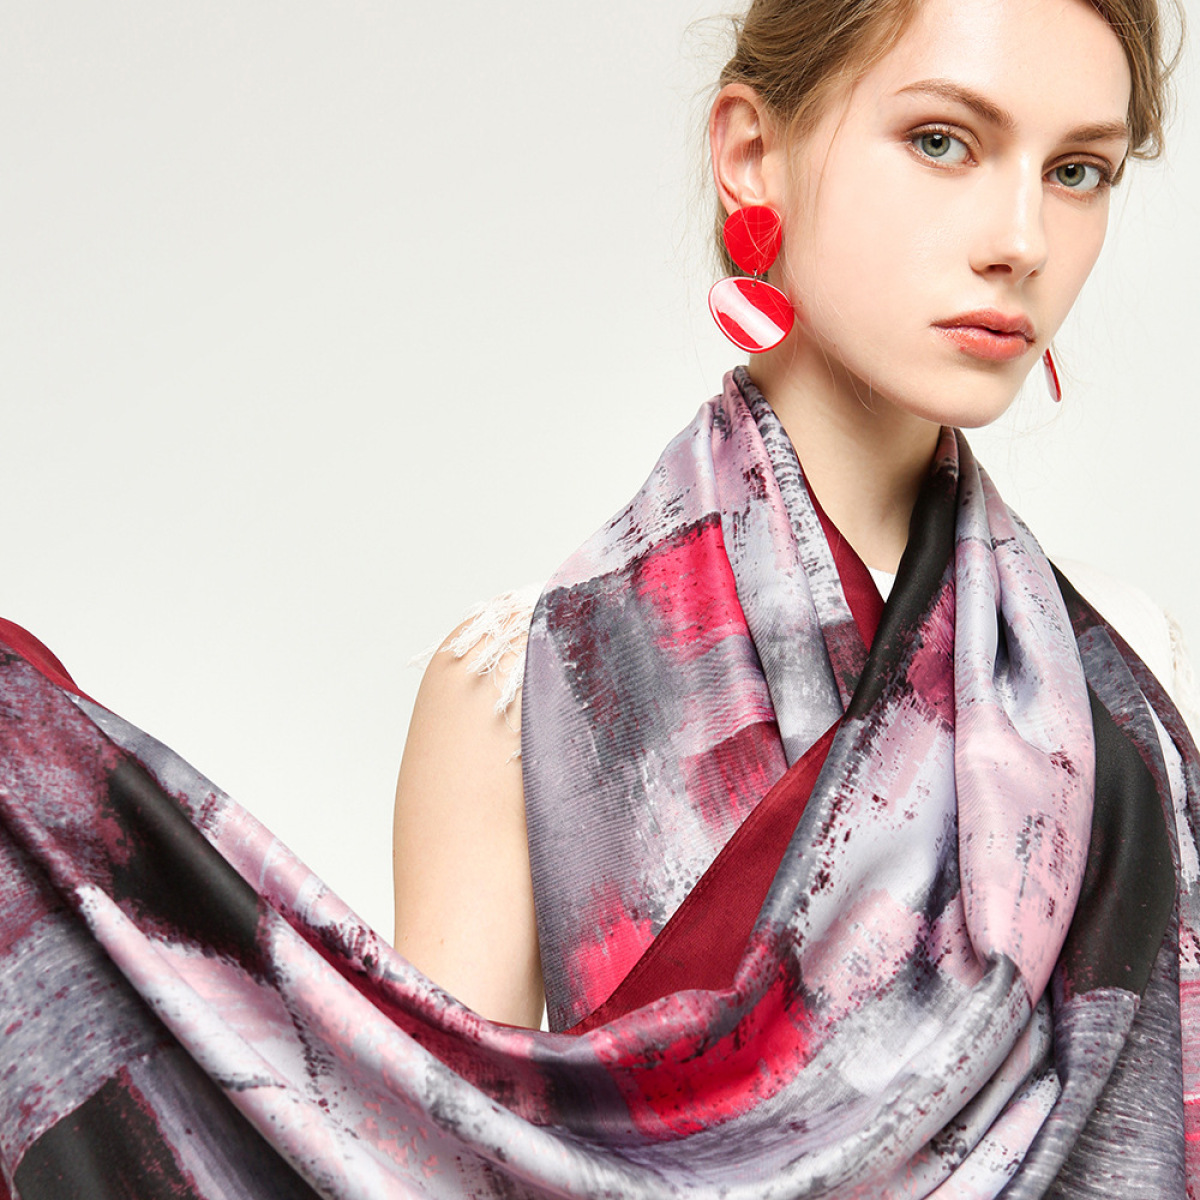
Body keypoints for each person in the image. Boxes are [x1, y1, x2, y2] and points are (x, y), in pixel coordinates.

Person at [0, 0, 1195, 1196]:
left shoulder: (1117, 691)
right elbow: (422, 1164)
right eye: (942, 141)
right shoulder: (521, 686)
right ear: (751, 153)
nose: (1022, 238)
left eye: (1078, 171)